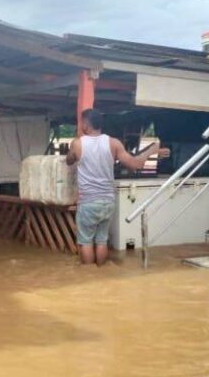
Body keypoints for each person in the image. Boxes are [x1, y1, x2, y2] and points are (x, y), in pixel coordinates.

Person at [66, 109, 170, 266]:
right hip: (107, 201)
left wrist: (72, 154)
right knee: (101, 241)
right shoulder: (113, 143)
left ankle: (88, 275)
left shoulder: (77, 144)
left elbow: (69, 161)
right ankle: (101, 271)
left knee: (86, 241)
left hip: (88, 201)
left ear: (86, 125)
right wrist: (151, 151)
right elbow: (135, 164)